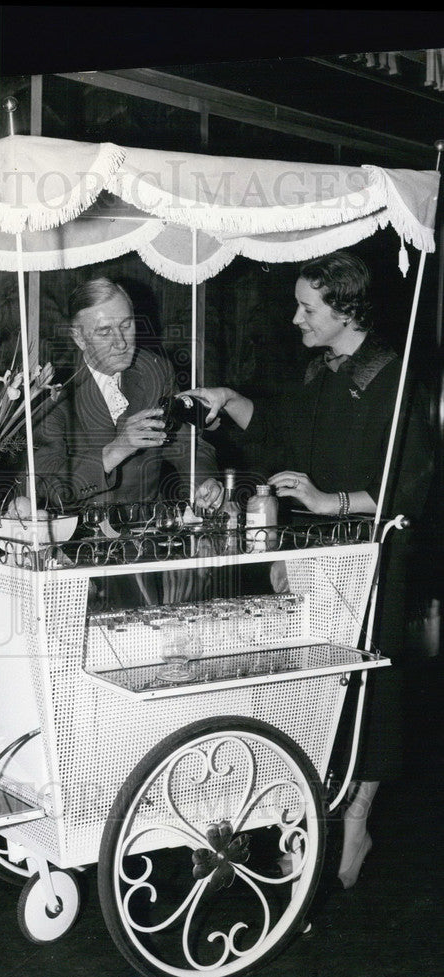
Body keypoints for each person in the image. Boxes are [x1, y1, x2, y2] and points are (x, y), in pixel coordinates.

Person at [181, 250, 433, 889]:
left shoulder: (396, 382)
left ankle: (356, 825)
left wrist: (327, 502)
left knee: (370, 691)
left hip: (374, 556)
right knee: (314, 687)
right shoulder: (323, 371)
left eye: (308, 307)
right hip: (318, 556)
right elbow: (279, 434)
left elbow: (409, 490)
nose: (296, 318)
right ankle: (311, 815)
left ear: (347, 312)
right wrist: (230, 399)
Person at [35, 276, 222, 511]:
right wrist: (116, 449)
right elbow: (44, 484)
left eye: (126, 325)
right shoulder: (52, 389)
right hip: (78, 538)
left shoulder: (155, 370)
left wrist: (203, 481)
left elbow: (188, 445)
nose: (121, 343)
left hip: (146, 532)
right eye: (105, 332)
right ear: (80, 338)